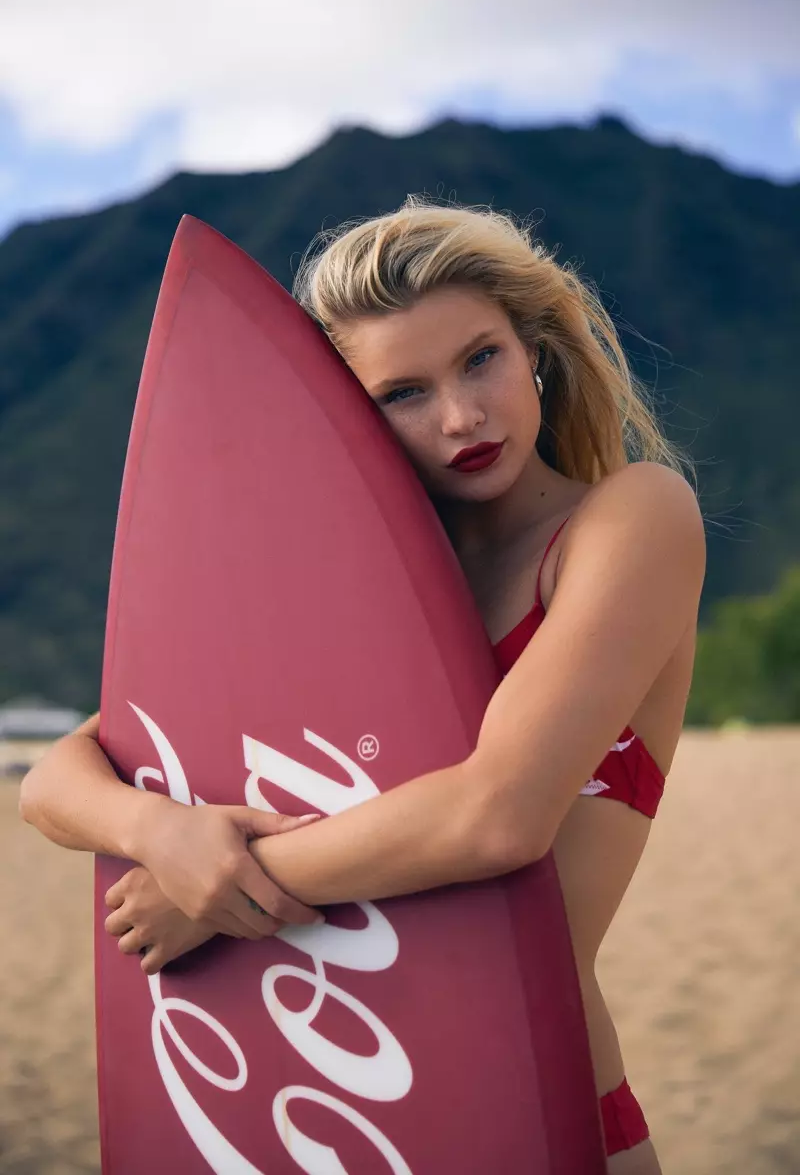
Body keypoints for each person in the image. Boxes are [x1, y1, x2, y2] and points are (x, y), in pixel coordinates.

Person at [20, 198, 706, 1173]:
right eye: (402, 393)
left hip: (532, 1111)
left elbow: (496, 816)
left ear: (535, 351)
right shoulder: (342, 593)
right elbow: (56, 780)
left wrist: (216, 891)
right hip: (332, 1114)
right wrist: (160, 835)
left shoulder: (627, 520)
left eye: (480, 359)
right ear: (350, 419)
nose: (460, 416)